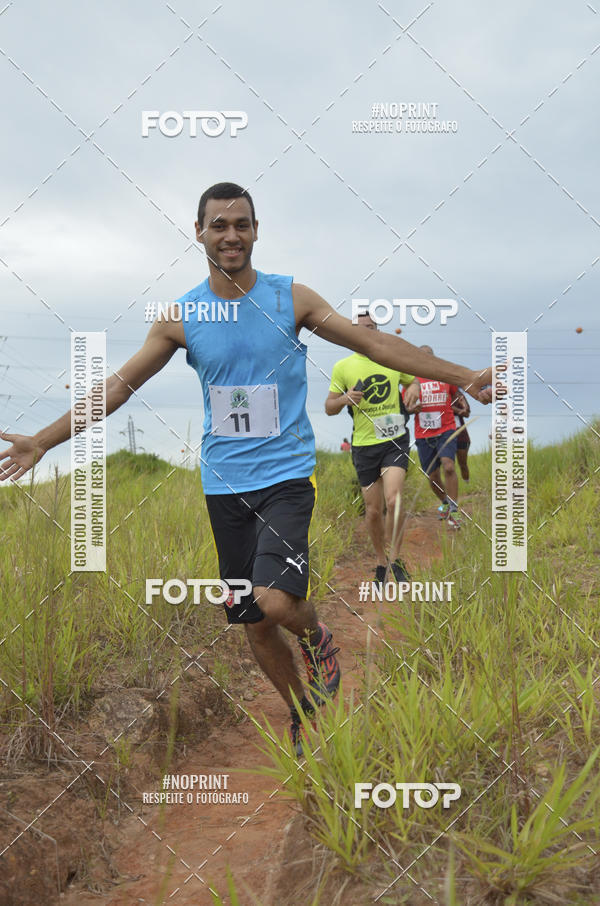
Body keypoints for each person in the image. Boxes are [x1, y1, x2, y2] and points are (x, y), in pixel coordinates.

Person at [0, 183, 492, 754]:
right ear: (199, 232)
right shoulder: (180, 318)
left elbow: (375, 346)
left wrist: (464, 376)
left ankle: (319, 637)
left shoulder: (293, 299)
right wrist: (43, 439)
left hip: (286, 476)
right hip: (224, 485)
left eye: (241, 224)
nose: (230, 235)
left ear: (256, 231)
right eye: (219, 225)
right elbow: (118, 387)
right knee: (251, 619)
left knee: (276, 602)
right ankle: (301, 710)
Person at [325, 312, 421, 583]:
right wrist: (345, 399)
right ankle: (381, 560)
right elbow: (329, 407)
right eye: (362, 328)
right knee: (374, 509)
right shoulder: (343, 367)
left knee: (394, 500)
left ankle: (396, 558)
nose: (368, 331)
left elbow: (412, 379)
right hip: (364, 445)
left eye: (372, 327)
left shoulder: (390, 358)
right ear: (352, 333)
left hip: (394, 440)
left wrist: (413, 388)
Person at [409, 345, 468, 529]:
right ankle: (444, 500)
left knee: (449, 466)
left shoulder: (444, 376)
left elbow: (457, 393)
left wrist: (463, 404)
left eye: (429, 357)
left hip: (446, 428)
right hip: (424, 434)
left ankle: (454, 509)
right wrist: (412, 408)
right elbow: (408, 406)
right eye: (421, 357)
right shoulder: (412, 380)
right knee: (432, 476)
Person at [452, 391, 471, 481]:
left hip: (461, 435)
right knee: (447, 465)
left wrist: (453, 409)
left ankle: (467, 483)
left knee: (462, 464)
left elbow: (467, 413)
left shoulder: (458, 394)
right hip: (443, 435)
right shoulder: (437, 393)